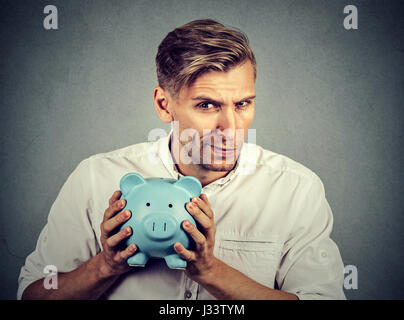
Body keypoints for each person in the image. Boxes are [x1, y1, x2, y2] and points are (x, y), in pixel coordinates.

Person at [18, 19, 346, 300]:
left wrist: (211, 270)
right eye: (207, 105)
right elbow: (33, 293)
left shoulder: (295, 189)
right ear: (164, 105)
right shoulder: (95, 178)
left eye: (243, 104)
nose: (230, 128)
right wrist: (105, 265)